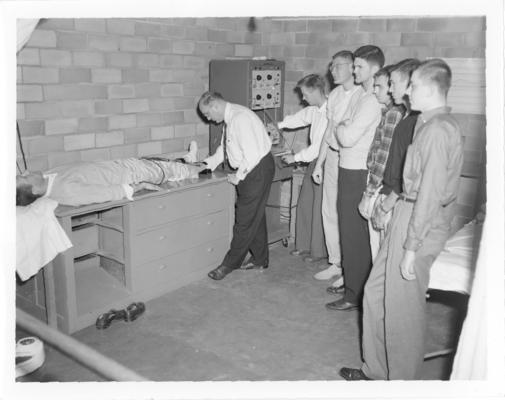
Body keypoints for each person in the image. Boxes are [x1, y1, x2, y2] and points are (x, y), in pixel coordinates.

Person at [340, 58, 464, 380]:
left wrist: (412, 246)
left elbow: (431, 194)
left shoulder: (439, 130)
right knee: (375, 293)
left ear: (431, 88)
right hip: (405, 213)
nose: (407, 91)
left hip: (419, 220)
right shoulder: (424, 123)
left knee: (402, 312)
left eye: (413, 86)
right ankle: (377, 371)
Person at [325, 45, 383, 312]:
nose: (354, 71)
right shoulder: (362, 96)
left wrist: (340, 125)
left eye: (358, 67)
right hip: (349, 169)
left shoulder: (370, 100)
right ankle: (353, 286)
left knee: (353, 236)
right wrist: (344, 125)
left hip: (357, 171)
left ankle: (353, 295)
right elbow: (345, 132)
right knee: (351, 234)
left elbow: (346, 137)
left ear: (373, 68)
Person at [199, 91, 275, 281]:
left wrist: (238, 176)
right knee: (254, 214)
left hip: (255, 169)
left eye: (208, 114)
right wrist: (206, 164)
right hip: (252, 168)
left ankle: (229, 264)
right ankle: (260, 258)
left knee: (243, 218)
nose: (208, 119)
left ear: (215, 105)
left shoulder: (240, 119)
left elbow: (252, 155)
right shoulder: (232, 117)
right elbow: (224, 148)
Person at [311, 50, 362, 291]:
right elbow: (328, 131)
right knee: (329, 210)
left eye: (337, 66)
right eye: (331, 66)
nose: (332, 71)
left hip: (351, 160)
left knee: (347, 215)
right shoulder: (334, 94)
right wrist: (319, 163)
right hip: (332, 156)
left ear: (353, 67)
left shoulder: (363, 95)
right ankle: (336, 262)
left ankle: (350, 268)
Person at [276, 74, 329, 265]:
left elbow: (319, 146)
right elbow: (299, 118)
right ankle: (304, 245)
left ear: (316, 91)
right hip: (314, 163)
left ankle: (318, 251)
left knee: (318, 207)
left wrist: (295, 157)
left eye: (305, 94)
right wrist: (278, 125)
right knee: (305, 202)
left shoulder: (330, 111)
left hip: (325, 162)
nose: (303, 98)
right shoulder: (315, 109)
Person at [16, 155, 204, 207]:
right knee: (171, 170)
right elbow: (104, 194)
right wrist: (137, 186)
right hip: (133, 175)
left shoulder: (49, 177)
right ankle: (203, 166)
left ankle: (189, 160)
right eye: (24, 177)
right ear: (33, 191)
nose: (26, 172)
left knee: (158, 161)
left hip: (125, 165)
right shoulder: (66, 191)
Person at [357, 65, 404, 260]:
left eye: (381, 86)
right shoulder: (393, 112)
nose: (375, 90)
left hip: (381, 188)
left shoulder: (394, 114)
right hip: (385, 187)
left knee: (378, 249)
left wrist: (368, 193)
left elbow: (383, 157)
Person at [370, 59, 421, 236]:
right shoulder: (407, 117)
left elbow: (409, 171)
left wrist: (386, 204)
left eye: (393, 84)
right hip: (390, 193)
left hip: (397, 198)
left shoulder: (416, 122)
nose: (390, 90)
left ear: (410, 84)